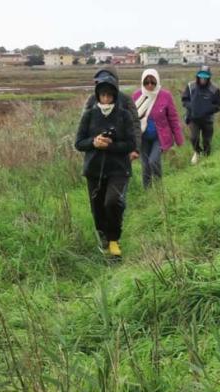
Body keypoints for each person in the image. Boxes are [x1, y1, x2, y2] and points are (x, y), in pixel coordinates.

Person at [75, 70, 136, 258]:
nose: (106, 98)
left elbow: (131, 144)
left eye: (110, 95)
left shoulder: (124, 116)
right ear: (98, 95)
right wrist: (94, 142)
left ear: (115, 96)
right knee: (98, 207)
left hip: (119, 169)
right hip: (94, 170)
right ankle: (102, 238)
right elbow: (78, 143)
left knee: (113, 202)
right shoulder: (89, 115)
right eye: (103, 94)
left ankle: (114, 239)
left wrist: (111, 145)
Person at [132, 69, 184, 188]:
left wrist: (179, 139)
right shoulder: (136, 96)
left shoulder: (165, 96)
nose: (150, 85)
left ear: (157, 82)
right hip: (143, 137)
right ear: (142, 82)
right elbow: (131, 119)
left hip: (160, 137)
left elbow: (173, 118)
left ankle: (159, 187)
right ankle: (148, 192)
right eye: (146, 82)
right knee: (145, 166)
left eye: (153, 82)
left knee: (153, 161)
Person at [83, 68, 142, 162]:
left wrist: (135, 149)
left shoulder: (125, 99)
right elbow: (83, 129)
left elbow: (135, 125)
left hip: (120, 153)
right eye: (99, 81)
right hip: (96, 155)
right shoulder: (91, 100)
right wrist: (91, 143)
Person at [181, 65, 220, 164]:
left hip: (207, 120)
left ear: (209, 77)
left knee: (207, 141)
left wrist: (208, 109)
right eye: (201, 76)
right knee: (194, 138)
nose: (203, 79)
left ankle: (207, 160)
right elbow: (184, 100)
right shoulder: (191, 87)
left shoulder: (214, 89)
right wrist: (191, 106)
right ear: (197, 76)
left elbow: (219, 105)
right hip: (193, 118)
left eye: (205, 77)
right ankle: (197, 152)